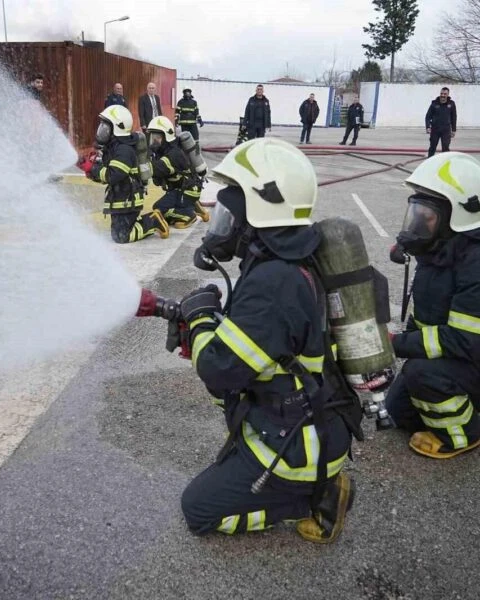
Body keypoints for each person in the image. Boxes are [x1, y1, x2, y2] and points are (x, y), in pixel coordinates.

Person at [179, 138, 361, 543]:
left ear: (258, 214)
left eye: (230, 213)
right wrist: (206, 321)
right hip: (304, 418)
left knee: (199, 511)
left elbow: (219, 369)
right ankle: (302, 484)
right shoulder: (285, 259)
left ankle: (317, 498)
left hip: (299, 444)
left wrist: (200, 319)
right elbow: (255, 342)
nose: (222, 225)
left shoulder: (273, 283)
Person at [386, 151, 480, 458]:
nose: (418, 222)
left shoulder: (475, 265)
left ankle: (465, 434)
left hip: (471, 357)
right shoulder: (443, 247)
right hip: (459, 359)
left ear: (457, 218)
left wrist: (396, 344)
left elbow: (463, 340)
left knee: (422, 375)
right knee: (399, 412)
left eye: (426, 216)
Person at [79, 105, 169, 244]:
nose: (102, 130)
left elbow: (114, 175)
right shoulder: (115, 147)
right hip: (121, 198)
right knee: (117, 233)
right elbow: (109, 175)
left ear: (117, 128)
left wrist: (93, 169)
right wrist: (92, 171)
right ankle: (144, 222)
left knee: (122, 237)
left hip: (128, 200)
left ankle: (153, 221)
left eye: (105, 126)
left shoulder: (124, 150)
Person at [146, 116, 209, 229]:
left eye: (158, 137)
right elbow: (158, 180)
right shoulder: (165, 150)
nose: (154, 140)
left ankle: (189, 215)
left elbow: (158, 169)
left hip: (186, 190)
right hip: (182, 189)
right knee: (164, 211)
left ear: (167, 136)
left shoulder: (174, 154)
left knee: (158, 209)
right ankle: (193, 206)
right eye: (152, 137)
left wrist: (138, 166)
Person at [425, 87, 457, 158]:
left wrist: (454, 130)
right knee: (432, 147)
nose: (442, 95)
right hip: (435, 129)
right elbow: (428, 116)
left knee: (445, 148)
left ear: (448, 95)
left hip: (446, 130)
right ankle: (429, 163)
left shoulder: (451, 104)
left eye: (445, 94)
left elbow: (454, 117)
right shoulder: (434, 103)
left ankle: (445, 163)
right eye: (441, 93)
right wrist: (428, 127)